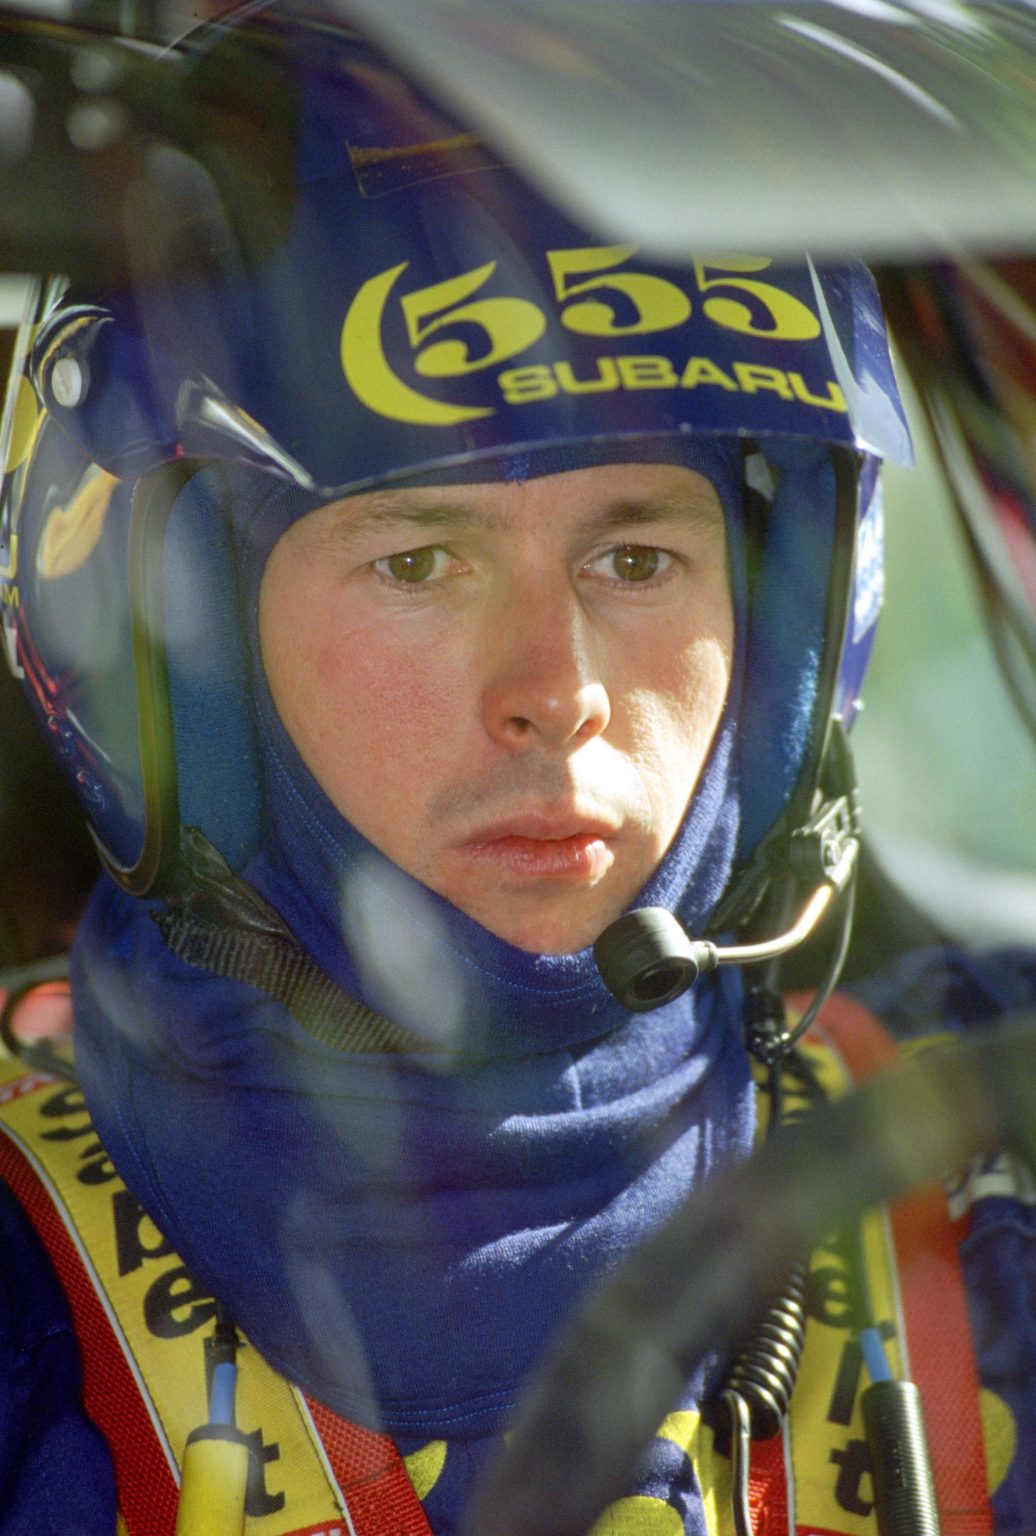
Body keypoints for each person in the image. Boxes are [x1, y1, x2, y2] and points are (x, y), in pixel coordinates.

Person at [0, 5, 1034, 1535]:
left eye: (636, 557)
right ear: (179, 650)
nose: (558, 695)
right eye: (421, 562)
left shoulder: (989, 1175)